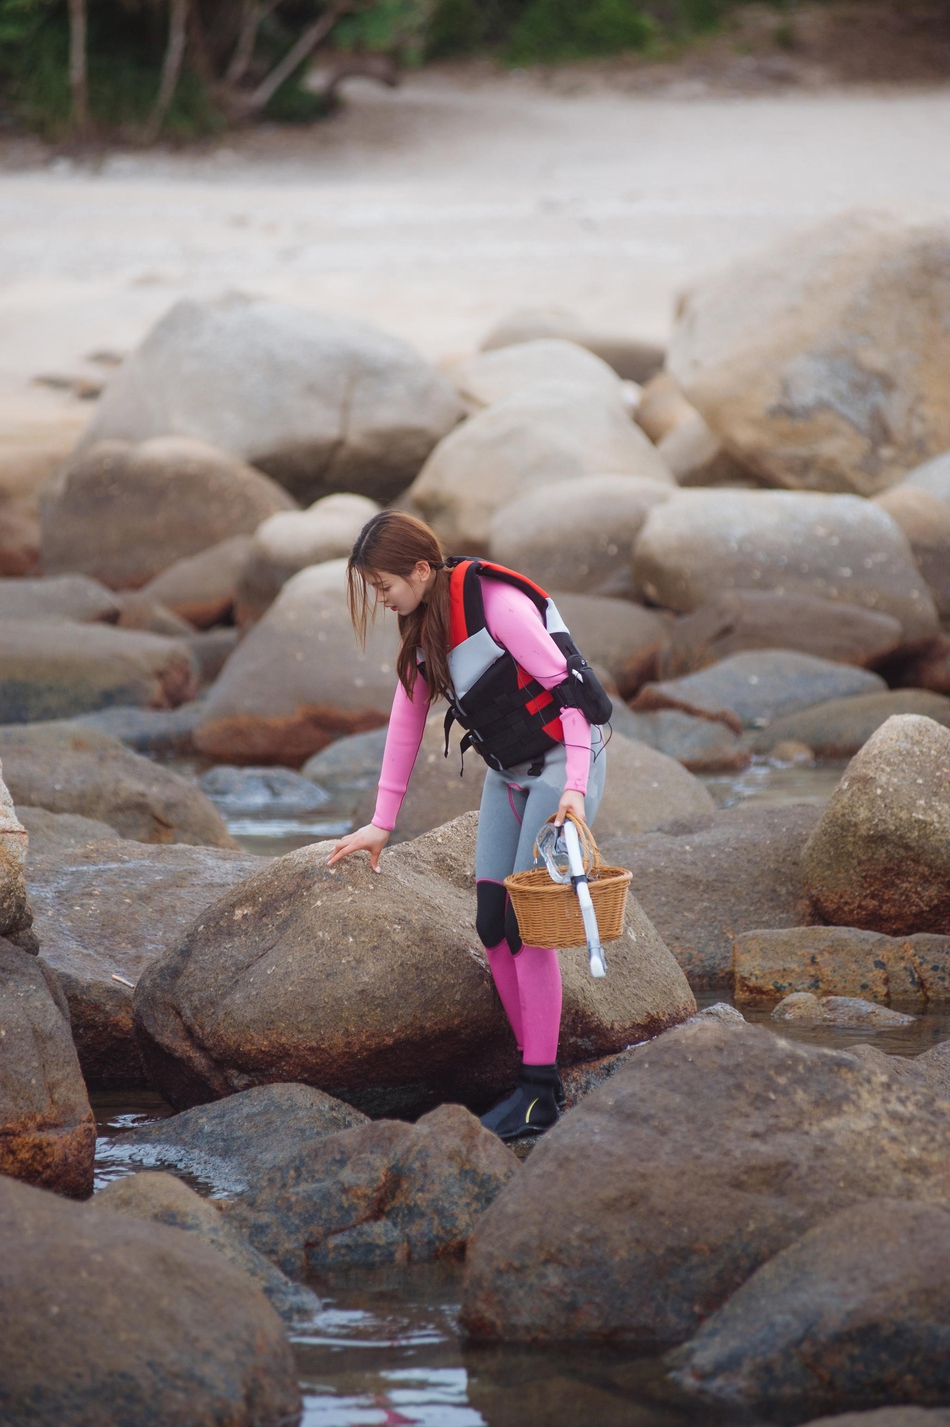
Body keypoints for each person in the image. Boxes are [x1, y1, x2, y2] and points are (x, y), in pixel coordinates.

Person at [328, 511, 608, 1141]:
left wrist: (575, 790)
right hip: (509, 775)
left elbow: (571, 696)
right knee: (490, 921)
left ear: (421, 569)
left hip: (563, 767)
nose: (382, 598)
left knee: (524, 923)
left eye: (384, 586)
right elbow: (405, 722)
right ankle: (532, 1077)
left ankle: (540, 1091)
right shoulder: (423, 628)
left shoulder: (498, 606)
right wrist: (381, 823)